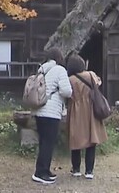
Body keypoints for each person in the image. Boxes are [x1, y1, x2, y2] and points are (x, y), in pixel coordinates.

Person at [31, 47, 73, 185]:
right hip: (51, 112)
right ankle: (40, 172)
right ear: (59, 57)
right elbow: (67, 91)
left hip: (39, 110)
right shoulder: (60, 70)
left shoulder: (42, 69)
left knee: (44, 141)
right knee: (48, 143)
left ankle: (44, 169)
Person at [65, 53, 107, 180]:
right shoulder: (90, 75)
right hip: (90, 110)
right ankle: (89, 171)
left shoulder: (70, 79)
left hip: (76, 110)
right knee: (91, 140)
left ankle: (76, 169)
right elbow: (99, 82)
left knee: (75, 139)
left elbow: (67, 93)